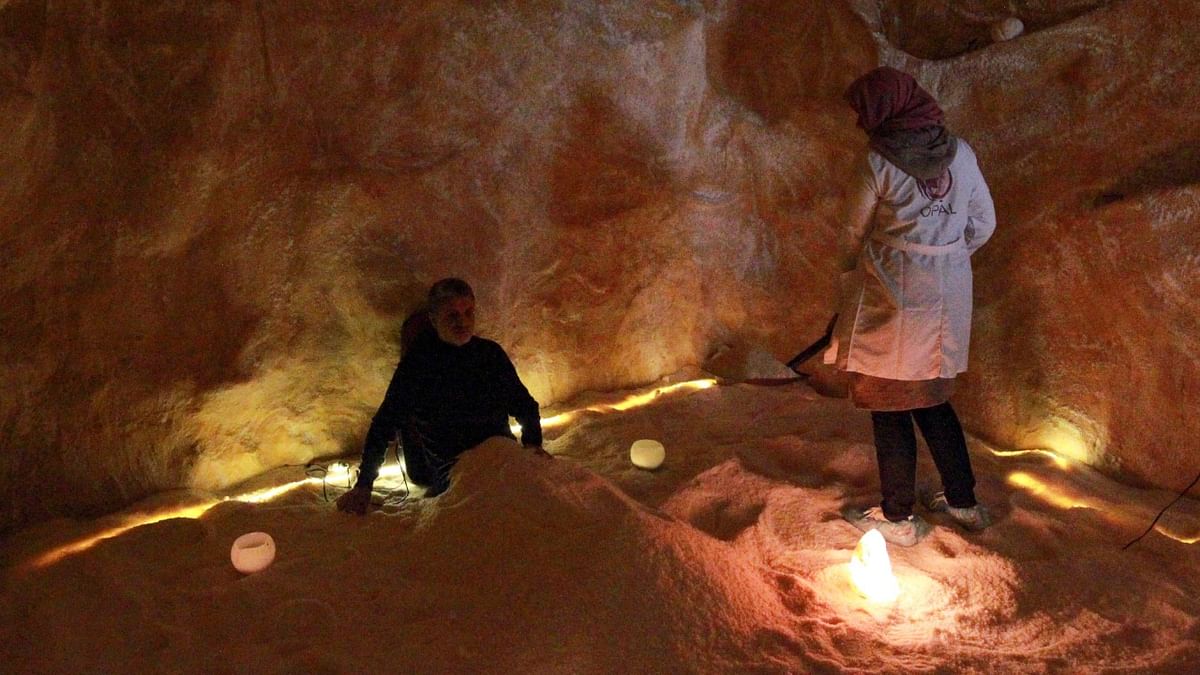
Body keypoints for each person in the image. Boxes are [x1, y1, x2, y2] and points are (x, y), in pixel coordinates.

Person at [828, 66, 996, 546]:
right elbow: (983, 221)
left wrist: (850, 274)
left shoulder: (878, 162)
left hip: (892, 291)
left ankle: (898, 517)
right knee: (933, 398)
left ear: (886, 111)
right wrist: (947, 255)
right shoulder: (960, 153)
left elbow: (851, 232)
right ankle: (963, 502)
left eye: (866, 112)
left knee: (890, 404)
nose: (862, 123)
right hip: (948, 291)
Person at [337, 278, 546, 514]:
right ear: (434, 320)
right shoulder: (419, 365)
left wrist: (532, 446)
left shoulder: (489, 354)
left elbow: (525, 405)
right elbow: (384, 425)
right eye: (453, 316)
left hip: (502, 457)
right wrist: (364, 485)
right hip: (457, 472)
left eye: (469, 313)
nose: (463, 322)